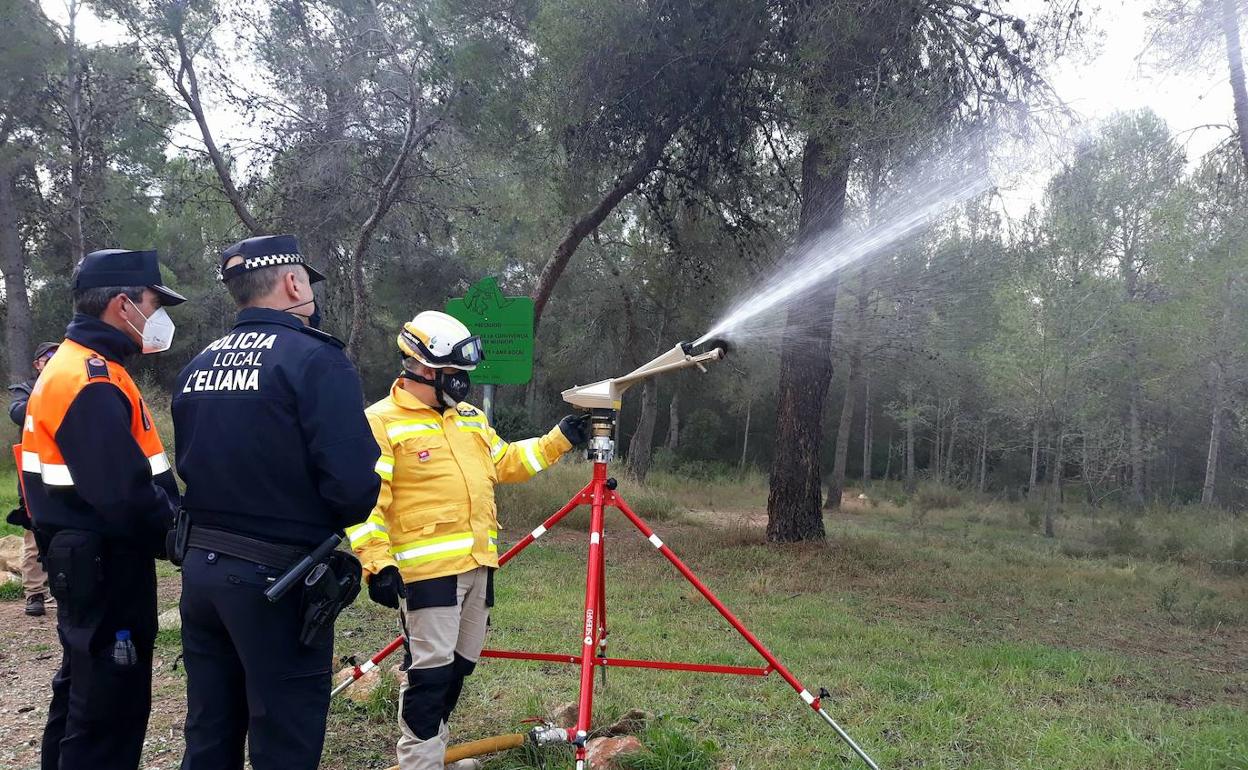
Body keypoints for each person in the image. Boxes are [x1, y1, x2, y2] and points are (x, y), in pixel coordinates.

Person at [171, 234, 381, 770]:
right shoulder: (316, 360)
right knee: (284, 739)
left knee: (210, 732)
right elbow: (354, 488)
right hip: (278, 581)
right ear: (293, 282)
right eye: (307, 281)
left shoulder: (198, 365)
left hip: (202, 574)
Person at [347, 310, 590, 770]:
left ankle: (434, 756)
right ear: (420, 367)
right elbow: (365, 504)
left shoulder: (470, 419)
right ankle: (419, 763)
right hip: (426, 575)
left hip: (479, 565)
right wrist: (377, 564)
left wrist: (559, 439)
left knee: (458, 669)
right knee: (429, 676)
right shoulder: (381, 422)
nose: (463, 383)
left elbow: (508, 462)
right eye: (455, 374)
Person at [20, 249, 186, 770]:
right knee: (108, 709)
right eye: (155, 303)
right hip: (105, 564)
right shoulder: (89, 380)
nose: (160, 318)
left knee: (80, 697)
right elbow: (124, 494)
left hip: (81, 559)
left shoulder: (81, 366)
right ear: (123, 304)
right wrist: (175, 535)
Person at [7, 342, 59, 616]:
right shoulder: (24, 389)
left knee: (64, 530)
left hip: (65, 472)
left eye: (57, 356)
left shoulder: (69, 383)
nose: (52, 361)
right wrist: (47, 393)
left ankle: (62, 586)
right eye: (47, 358)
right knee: (32, 534)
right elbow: (17, 412)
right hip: (33, 473)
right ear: (37, 364)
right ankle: (34, 594)